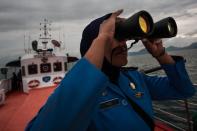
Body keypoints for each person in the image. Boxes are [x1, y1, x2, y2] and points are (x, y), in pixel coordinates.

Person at [25, 9, 195, 131]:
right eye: (115, 37)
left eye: (123, 37)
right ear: (95, 45)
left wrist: (161, 54)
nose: (123, 44)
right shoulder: (79, 93)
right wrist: (103, 37)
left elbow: (184, 90)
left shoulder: (135, 78)